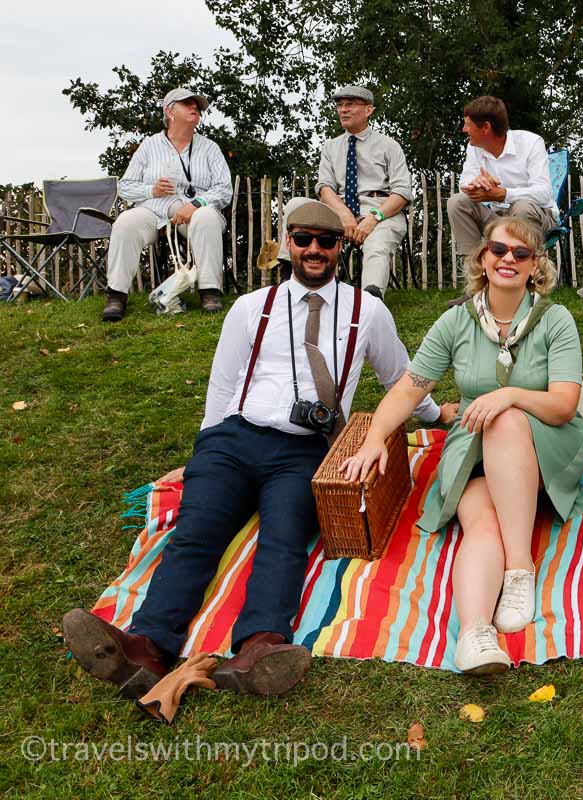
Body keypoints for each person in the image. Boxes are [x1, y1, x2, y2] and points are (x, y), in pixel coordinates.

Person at [63, 201, 455, 700]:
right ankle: (145, 647)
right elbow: (221, 388)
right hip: (235, 439)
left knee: (284, 538)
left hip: (305, 450)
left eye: (326, 241)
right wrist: (206, 452)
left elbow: (401, 378)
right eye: (304, 239)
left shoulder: (367, 311)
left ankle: (259, 648)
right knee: (196, 533)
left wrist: (435, 414)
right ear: (289, 243)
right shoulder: (250, 307)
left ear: (340, 250)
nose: (314, 250)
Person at [340, 217, 583, 676]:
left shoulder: (555, 320)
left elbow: (563, 405)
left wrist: (509, 394)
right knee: (481, 522)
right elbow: (410, 387)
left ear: (536, 266)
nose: (508, 260)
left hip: (546, 445)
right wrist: (376, 437)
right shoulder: (457, 320)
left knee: (507, 419)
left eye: (521, 254)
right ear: (482, 258)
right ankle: (476, 634)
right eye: (499, 250)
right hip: (476, 449)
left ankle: (520, 569)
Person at [102, 88, 233, 322]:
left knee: (207, 217)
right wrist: (150, 190)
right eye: (187, 104)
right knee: (125, 222)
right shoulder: (149, 146)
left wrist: (198, 203)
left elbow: (224, 188)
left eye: (197, 105)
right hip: (153, 210)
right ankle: (116, 295)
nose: (195, 107)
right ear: (169, 112)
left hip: (192, 212)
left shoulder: (209, 148)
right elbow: (124, 187)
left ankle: (210, 291)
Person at [280, 85, 415, 300]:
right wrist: (344, 215)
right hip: (339, 210)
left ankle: (370, 300)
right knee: (297, 204)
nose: (343, 110)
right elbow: (324, 188)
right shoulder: (330, 147)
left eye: (350, 104)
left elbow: (402, 192)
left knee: (377, 245)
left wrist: (373, 219)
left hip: (380, 211)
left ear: (369, 110)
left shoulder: (389, 146)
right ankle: (289, 281)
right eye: (340, 105)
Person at [447, 96, 558, 254]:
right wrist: (477, 184)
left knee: (522, 208)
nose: (464, 130)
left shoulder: (532, 143)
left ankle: (524, 269)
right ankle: (474, 271)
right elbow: (464, 184)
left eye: (468, 125)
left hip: (536, 217)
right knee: (457, 202)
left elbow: (544, 194)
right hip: (497, 218)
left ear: (485, 127)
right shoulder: (473, 147)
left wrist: (503, 194)